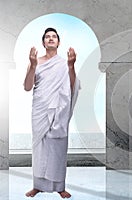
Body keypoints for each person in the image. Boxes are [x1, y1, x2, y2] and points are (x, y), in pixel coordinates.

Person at [24, 27, 80, 198]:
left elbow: (71, 87)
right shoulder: (36, 62)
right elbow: (27, 87)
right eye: (47, 37)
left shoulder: (64, 63)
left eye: (53, 37)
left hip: (58, 110)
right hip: (40, 110)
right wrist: (33, 65)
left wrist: (71, 67)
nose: (50, 39)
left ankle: (59, 186)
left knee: (58, 148)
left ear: (58, 42)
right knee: (39, 149)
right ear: (43, 42)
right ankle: (38, 185)